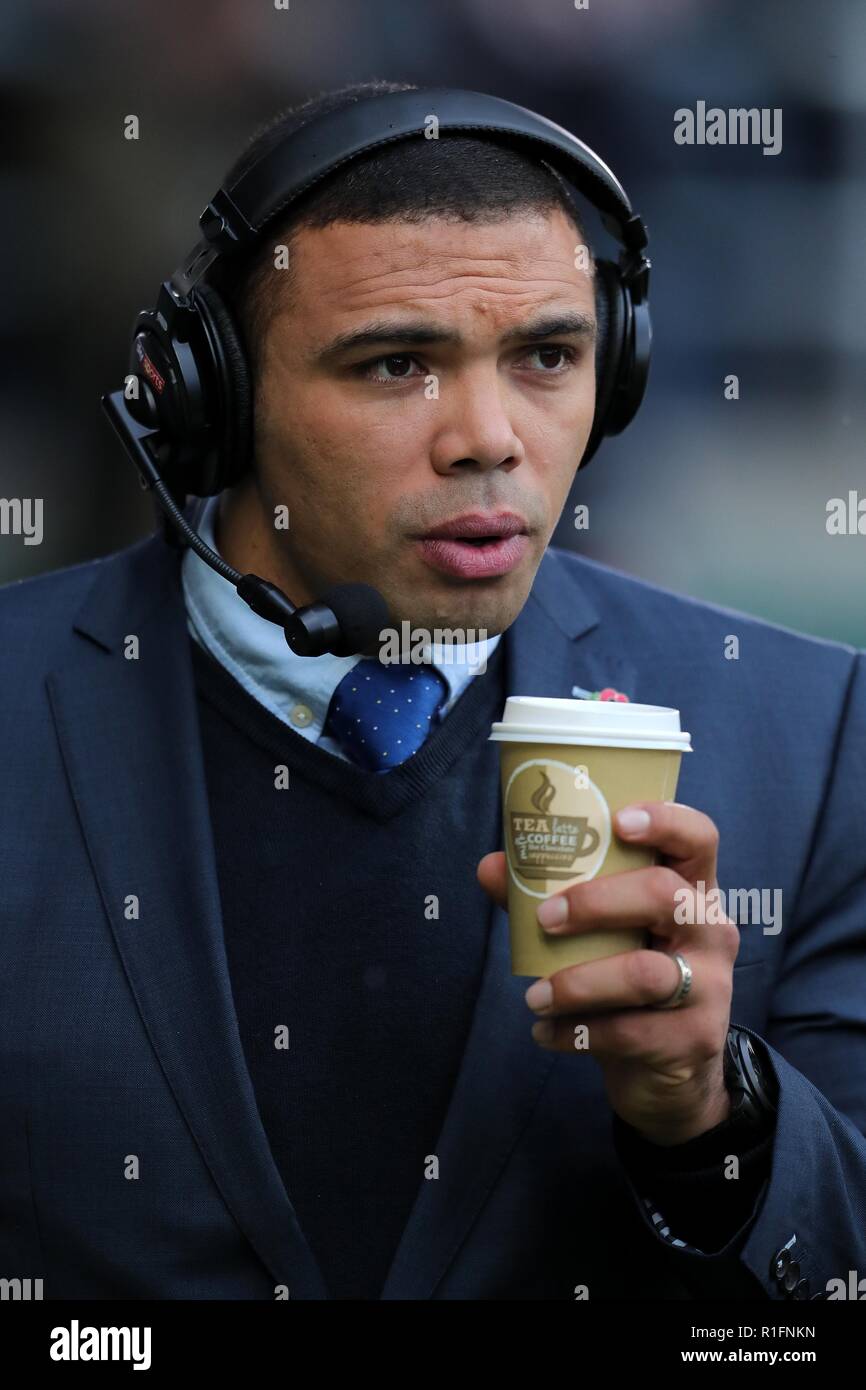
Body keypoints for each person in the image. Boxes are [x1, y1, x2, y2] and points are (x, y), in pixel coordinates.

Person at [1, 80, 864, 1302]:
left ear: (614, 373)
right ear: (213, 398)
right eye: (396, 362)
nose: (487, 437)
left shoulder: (815, 734)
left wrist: (712, 1117)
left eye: (548, 356)